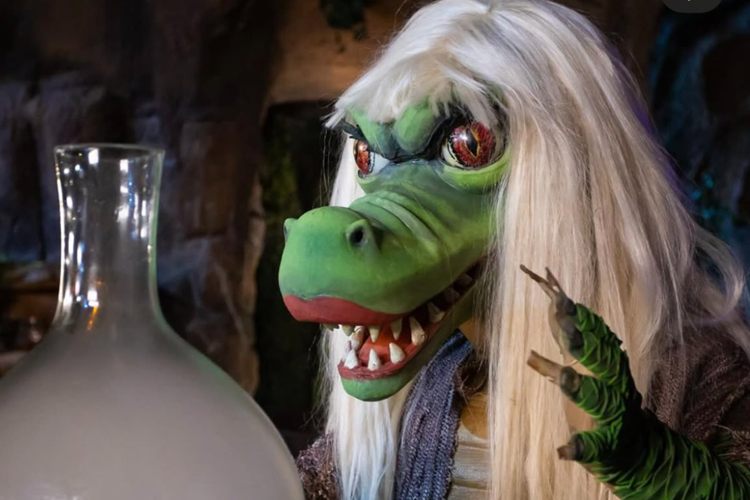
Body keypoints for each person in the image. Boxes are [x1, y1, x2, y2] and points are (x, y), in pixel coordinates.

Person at [278, 0, 750, 498]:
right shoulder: (429, 378)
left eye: (468, 146)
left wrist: (658, 466)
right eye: (368, 153)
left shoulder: (697, 376)